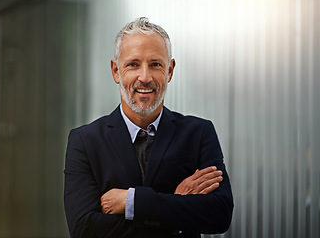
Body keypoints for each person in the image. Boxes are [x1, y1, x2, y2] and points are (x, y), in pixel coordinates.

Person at [64, 17, 233, 238]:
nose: (145, 77)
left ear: (170, 70)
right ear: (116, 71)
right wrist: (177, 206)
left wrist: (131, 202)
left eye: (155, 64)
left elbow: (219, 215)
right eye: (133, 64)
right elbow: (84, 229)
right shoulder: (85, 141)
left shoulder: (199, 134)